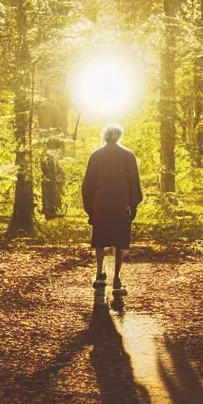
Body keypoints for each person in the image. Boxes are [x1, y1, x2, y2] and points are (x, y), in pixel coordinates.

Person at [81, 124, 142, 294]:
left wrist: (90, 208)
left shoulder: (96, 155)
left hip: (101, 203)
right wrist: (133, 205)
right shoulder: (128, 155)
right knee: (119, 239)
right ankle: (116, 279)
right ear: (117, 135)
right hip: (121, 203)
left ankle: (100, 275)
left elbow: (88, 185)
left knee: (100, 237)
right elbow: (134, 183)